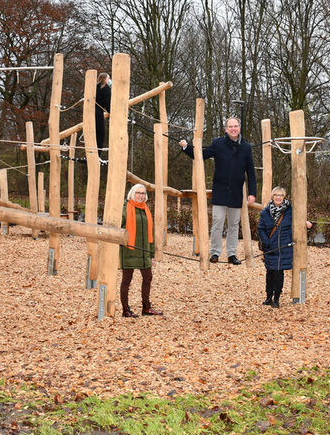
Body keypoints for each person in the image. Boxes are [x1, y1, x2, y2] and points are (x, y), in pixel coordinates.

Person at [179, 117, 257, 265]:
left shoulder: (246, 147)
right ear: (226, 129)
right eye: (230, 126)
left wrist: (252, 193)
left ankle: (232, 254)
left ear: (239, 128)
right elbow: (201, 154)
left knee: (234, 224)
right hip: (220, 190)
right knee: (217, 221)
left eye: (235, 126)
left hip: (236, 192)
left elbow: (251, 172)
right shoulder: (218, 144)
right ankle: (215, 252)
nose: (233, 129)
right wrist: (185, 147)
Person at [257, 186, 312, 308]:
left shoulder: (289, 210)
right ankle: (268, 297)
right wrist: (267, 242)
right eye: (276, 195)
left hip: (284, 247)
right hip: (270, 247)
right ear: (272, 196)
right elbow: (261, 228)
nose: (278, 197)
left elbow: (299, 219)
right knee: (270, 272)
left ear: (284, 197)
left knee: (279, 273)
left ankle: (276, 298)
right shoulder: (265, 212)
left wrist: (306, 223)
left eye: (280, 195)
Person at [119, 184, 163, 317]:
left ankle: (146, 307)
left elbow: (151, 234)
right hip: (129, 250)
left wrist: (152, 254)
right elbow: (119, 228)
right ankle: (126, 309)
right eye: (138, 193)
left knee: (148, 277)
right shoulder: (125, 209)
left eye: (143, 193)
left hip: (144, 252)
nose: (141, 195)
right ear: (132, 193)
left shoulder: (146, 210)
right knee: (127, 280)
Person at [95, 72, 111, 159]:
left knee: (94, 133)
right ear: (105, 79)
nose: (109, 80)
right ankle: (97, 155)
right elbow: (107, 103)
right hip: (98, 113)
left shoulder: (94, 87)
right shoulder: (106, 89)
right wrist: (110, 112)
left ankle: (93, 154)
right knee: (100, 135)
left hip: (90, 112)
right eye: (108, 78)